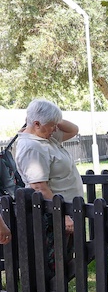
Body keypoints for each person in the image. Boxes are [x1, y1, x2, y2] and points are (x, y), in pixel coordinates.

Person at [15, 99, 83, 235]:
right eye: (52, 125)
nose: (56, 128)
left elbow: (74, 129)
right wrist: (62, 215)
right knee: (58, 255)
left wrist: (53, 117)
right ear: (37, 124)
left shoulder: (46, 137)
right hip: (54, 214)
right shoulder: (32, 147)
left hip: (68, 208)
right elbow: (39, 186)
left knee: (70, 254)